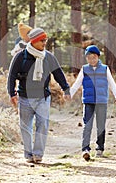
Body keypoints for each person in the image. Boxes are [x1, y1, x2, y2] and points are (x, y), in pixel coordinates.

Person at [7, 27, 71, 163]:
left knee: (43, 125)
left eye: (45, 40)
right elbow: (11, 76)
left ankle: (38, 154)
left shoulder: (48, 57)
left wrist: (66, 89)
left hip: (43, 98)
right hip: (24, 98)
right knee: (25, 127)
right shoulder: (21, 56)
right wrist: (11, 93)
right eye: (42, 40)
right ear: (34, 41)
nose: (44, 43)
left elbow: (58, 73)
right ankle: (28, 154)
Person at [70, 45, 116, 161]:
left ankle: (100, 148)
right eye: (89, 57)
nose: (91, 60)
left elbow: (112, 84)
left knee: (101, 126)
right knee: (87, 126)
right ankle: (85, 149)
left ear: (98, 57)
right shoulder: (84, 69)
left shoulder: (104, 68)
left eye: (94, 57)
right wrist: (69, 93)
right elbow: (77, 84)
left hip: (101, 101)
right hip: (88, 101)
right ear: (86, 58)